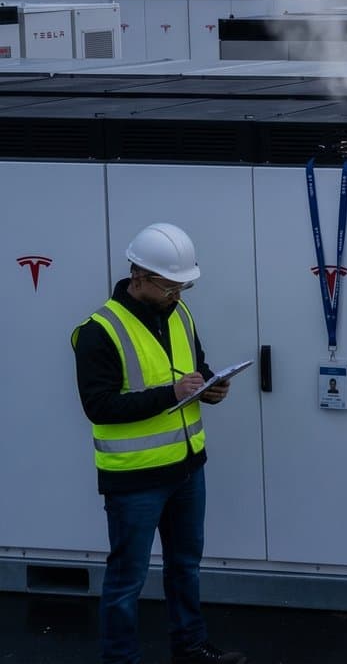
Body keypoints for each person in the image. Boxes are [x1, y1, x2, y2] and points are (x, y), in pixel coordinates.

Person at [72, 223, 247, 664]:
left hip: (187, 468)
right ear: (138, 277)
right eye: (170, 286)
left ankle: (190, 647)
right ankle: (121, 658)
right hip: (134, 480)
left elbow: (195, 368)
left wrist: (210, 386)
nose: (179, 294)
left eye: (183, 285)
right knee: (127, 579)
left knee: (185, 567)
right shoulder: (99, 331)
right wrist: (171, 395)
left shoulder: (181, 314)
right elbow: (99, 406)